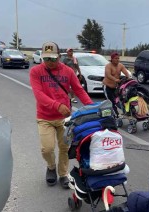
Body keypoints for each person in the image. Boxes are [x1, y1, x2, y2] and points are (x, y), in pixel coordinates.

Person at [29, 41, 93, 189]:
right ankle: (51, 167)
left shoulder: (68, 71)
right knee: (47, 148)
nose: (50, 62)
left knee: (64, 148)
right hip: (45, 117)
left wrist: (91, 108)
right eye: (46, 59)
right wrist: (57, 105)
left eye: (53, 58)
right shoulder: (36, 71)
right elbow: (39, 95)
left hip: (65, 118)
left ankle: (63, 174)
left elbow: (79, 90)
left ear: (59, 56)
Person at [102, 52, 131, 117]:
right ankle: (116, 115)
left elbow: (126, 72)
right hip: (107, 86)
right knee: (110, 101)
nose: (117, 60)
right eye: (115, 58)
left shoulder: (120, 65)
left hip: (115, 87)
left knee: (119, 100)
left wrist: (128, 78)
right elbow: (108, 75)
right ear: (112, 59)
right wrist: (115, 79)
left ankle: (124, 112)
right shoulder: (108, 66)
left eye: (118, 58)